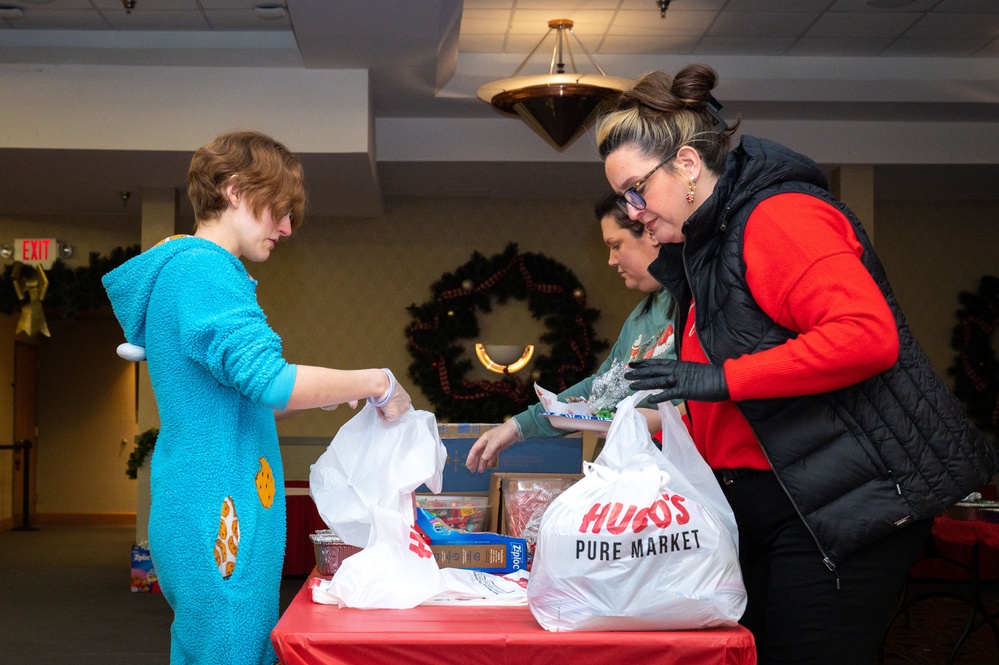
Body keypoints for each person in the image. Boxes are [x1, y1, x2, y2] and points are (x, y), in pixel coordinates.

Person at [596, 65, 999, 664]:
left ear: (685, 165)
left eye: (636, 190)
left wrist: (721, 380)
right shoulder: (707, 246)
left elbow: (865, 337)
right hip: (773, 505)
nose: (632, 211)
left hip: (837, 505)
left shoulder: (777, 218)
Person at [102, 130, 412, 665]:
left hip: (206, 503)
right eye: (280, 210)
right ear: (237, 190)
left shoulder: (190, 270)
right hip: (219, 516)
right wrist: (377, 380)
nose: (287, 228)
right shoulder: (204, 269)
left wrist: (333, 397)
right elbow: (271, 382)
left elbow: (255, 398)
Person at [466, 193, 678, 473]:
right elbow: (600, 389)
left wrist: (664, 419)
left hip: (684, 482)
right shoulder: (641, 315)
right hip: (631, 479)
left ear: (652, 232)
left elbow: (722, 392)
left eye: (616, 245)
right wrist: (515, 427)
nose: (611, 261)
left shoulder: (699, 304)